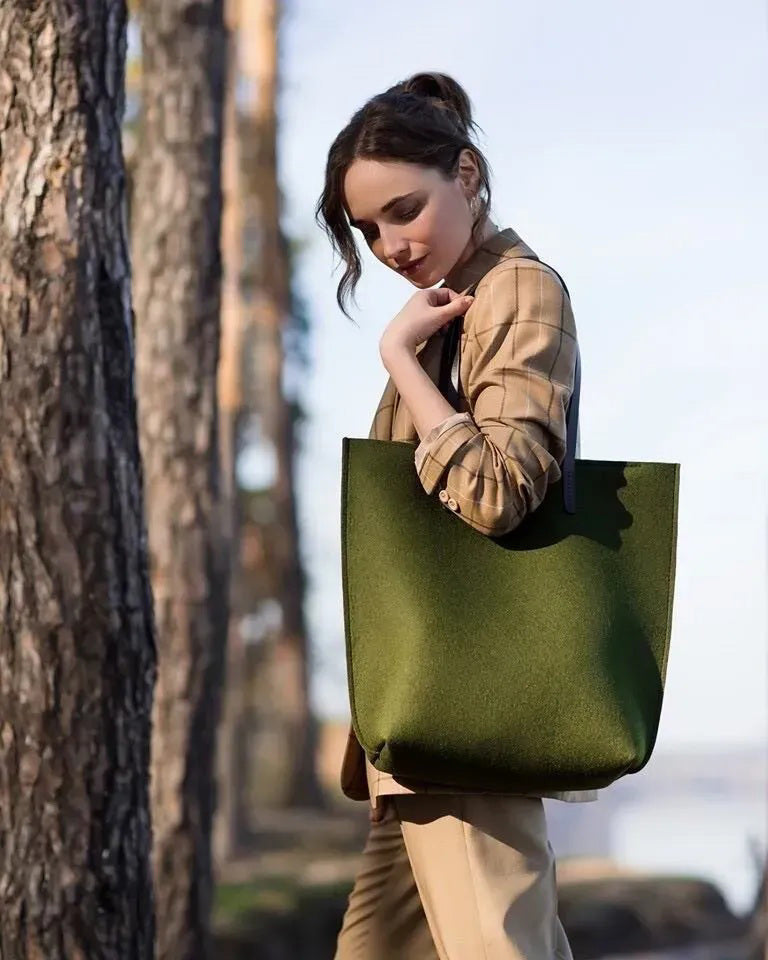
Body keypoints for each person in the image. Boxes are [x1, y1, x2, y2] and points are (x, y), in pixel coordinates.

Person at [315, 70, 597, 960]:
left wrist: (400, 359)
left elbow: (500, 491)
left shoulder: (514, 291)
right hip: (423, 715)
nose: (391, 245)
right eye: (368, 229)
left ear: (467, 175)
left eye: (405, 210)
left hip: (467, 702)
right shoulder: (449, 312)